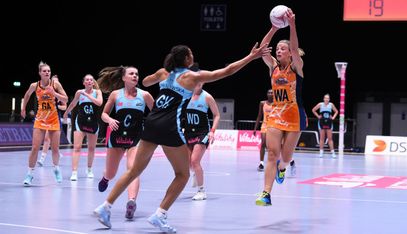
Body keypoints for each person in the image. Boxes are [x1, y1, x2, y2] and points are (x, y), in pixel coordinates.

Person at [93, 43, 270, 232]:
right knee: (183, 174)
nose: (192, 56)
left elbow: (145, 82)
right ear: (187, 59)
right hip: (169, 127)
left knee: (133, 171)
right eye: (191, 54)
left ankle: (105, 207)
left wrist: (160, 77)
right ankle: (160, 215)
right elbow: (227, 71)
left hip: (151, 123)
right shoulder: (191, 77)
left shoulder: (163, 73)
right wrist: (251, 57)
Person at [255, 7, 307, 206]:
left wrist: (292, 25)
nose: (279, 50)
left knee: (285, 158)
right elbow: (263, 48)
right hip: (276, 115)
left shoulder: (296, 66)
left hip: (296, 115)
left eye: (282, 48)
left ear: (290, 53)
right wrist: (274, 27)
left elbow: (295, 49)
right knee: (272, 154)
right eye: (278, 48)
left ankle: (282, 168)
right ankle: (266, 193)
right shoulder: (273, 66)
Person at [96, 66, 154, 220]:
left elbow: (156, 114)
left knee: (133, 170)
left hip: (136, 138)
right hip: (117, 136)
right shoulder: (116, 95)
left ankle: (131, 202)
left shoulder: (145, 95)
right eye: (131, 73)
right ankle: (106, 178)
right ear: (123, 78)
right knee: (111, 173)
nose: (135, 76)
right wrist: (109, 120)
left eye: (137, 73)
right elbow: (103, 114)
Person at [21, 61, 68, 186]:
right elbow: (26, 95)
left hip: (53, 120)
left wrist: (54, 93)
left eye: (49, 71)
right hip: (40, 120)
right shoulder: (34, 85)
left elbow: (66, 99)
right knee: (35, 148)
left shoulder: (55, 84)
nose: (47, 72)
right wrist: (23, 108)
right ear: (40, 73)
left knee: (55, 149)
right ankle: (29, 174)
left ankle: (56, 169)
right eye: (44, 71)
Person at [63, 74, 103, 181]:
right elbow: (73, 104)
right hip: (80, 122)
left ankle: (89, 169)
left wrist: (87, 95)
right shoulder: (79, 92)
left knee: (91, 148)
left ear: (93, 82)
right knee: (77, 148)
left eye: (91, 80)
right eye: (87, 80)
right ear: (84, 83)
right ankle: (74, 172)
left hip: (93, 123)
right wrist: (66, 113)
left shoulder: (97, 92)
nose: (89, 81)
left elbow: (99, 103)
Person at [184, 82, 220, 201]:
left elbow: (217, 115)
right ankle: (195, 172)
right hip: (188, 133)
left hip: (202, 133)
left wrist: (212, 131)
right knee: (188, 163)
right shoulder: (185, 96)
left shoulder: (207, 97)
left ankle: (201, 191)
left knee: (195, 161)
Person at [253, 89, 297, 176]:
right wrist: (255, 128)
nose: (270, 94)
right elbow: (259, 116)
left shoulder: (278, 104)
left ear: (274, 95)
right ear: (266, 94)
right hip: (265, 125)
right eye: (268, 92)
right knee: (263, 143)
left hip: (274, 126)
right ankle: (261, 163)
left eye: (272, 93)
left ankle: (291, 161)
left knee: (279, 147)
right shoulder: (262, 103)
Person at [37, 75, 67, 167]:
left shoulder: (60, 95)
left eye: (57, 81)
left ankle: (47, 157)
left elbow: (65, 106)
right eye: (54, 81)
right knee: (47, 139)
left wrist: (56, 107)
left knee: (50, 139)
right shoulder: (45, 92)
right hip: (45, 118)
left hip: (55, 119)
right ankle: (45, 158)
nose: (56, 83)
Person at [311, 93, 339, 158]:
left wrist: (333, 117)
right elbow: (313, 110)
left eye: (328, 98)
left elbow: (336, 111)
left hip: (329, 122)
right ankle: (321, 152)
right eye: (325, 98)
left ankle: (332, 152)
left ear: (329, 99)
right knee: (322, 138)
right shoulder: (320, 104)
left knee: (330, 138)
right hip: (321, 122)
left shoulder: (331, 105)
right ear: (323, 99)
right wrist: (318, 116)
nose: (326, 99)